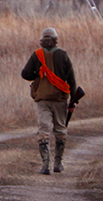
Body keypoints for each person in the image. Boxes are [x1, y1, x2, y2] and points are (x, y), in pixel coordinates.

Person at [21, 27, 78, 174]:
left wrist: (39, 75)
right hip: (60, 98)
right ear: (55, 39)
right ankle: (58, 163)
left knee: (44, 130)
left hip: (42, 98)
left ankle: (45, 165)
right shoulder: (63, 55)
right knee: (60, 130)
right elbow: (71, 79)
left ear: (42, 40)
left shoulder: (37, 55)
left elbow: (25, 74)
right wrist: (73, 100)